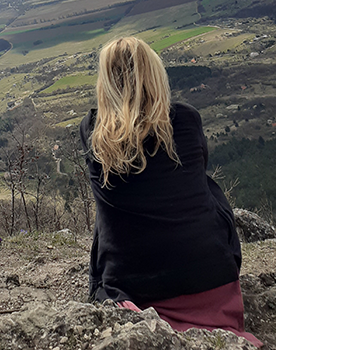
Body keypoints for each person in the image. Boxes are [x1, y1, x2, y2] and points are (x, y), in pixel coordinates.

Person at [79, 36, 262, 347]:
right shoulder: (187, 119)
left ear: (105, 83)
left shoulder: (93, 132)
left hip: (136, 289)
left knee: (109, 209)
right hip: (213, 278)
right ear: (155, 74)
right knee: (207, 186)